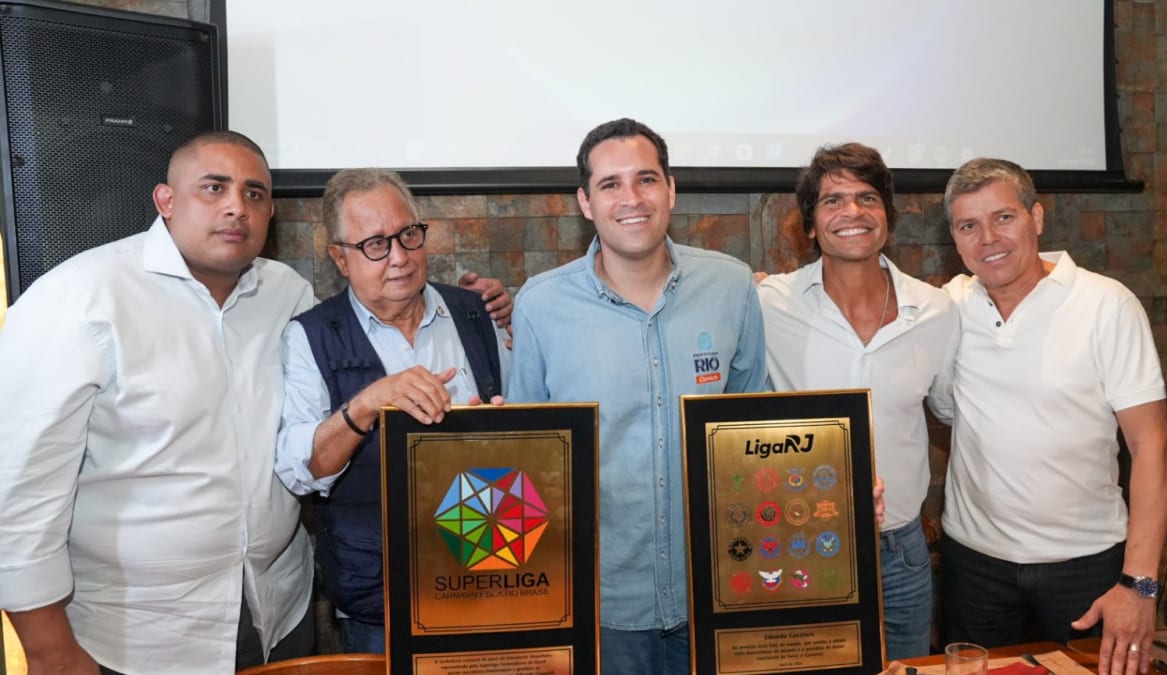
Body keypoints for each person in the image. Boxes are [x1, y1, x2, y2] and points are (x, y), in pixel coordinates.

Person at [0, 133, 512, 674]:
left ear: (270, 211)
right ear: (166, 200)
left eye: (253, 193)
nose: (235, 208)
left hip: (279, 613)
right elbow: (21, 489)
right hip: (138, 635)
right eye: (213, 188)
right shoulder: (78, 301)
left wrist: (497, 313)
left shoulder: (285, 294)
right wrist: (48, 648)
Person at [505, 118, 768, 674]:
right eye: (610, 184)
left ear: (670, 189)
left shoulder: (731, 286)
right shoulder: (540, 307)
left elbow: (755, 434)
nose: (632, 198)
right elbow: (525, 462)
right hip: (602, 607)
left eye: (646, 179)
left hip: (718, 592)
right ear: (585, 202)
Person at [939, 158, 1167, 675]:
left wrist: (1139, 585)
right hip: (974, 569)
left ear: (1037, 217)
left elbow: (1152, 447)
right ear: (954, 238)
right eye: (968, 225)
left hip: (1088, 568)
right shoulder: (949, 306)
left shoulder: (1106, 305)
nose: (988, 238)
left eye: (1004, 217)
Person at [275, 168, 509, 654]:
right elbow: (300, 471)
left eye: (408, 235)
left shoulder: (477, 313)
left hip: (491, 580)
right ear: (340, 257)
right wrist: (366, 404)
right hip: (379, 601)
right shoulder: (310, 336)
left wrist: (504, 430)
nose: (400, 257)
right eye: (375, 245)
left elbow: (528, 431)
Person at [757, 142, 958, 659]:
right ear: (809, 225)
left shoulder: (935, 311)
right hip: (799, 547)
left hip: (900, 553)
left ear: (887, 216)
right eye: (833, 200)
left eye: (867, 198)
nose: (852, 211)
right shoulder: (767, 304)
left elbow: (950, 409)